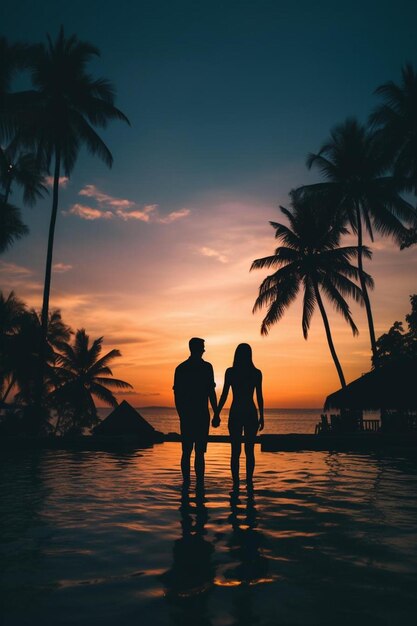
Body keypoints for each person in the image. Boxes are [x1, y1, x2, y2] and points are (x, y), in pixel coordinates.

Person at [212, 343, 264, 487]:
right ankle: (248, 482)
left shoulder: (231, 372)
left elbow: (224, 395)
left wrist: (217, 413)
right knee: (249, 450)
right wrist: (262, 415)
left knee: (236, 450)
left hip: (236, 412)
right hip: (250, 412)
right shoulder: (256, 373)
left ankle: (236, 483)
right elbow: (259, 396)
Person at [173, 337, 218, 485]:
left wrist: (181, 414)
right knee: (198, 452)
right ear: (197, 349)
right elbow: (211, 392)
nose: (204, 350)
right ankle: (198, 484)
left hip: (190, 416)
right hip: (199, 416)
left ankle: (188, 484)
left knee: (188, 452)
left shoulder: (181, 368)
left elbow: (177, 396)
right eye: (203, 347)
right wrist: (216, 413)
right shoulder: (206, 368)